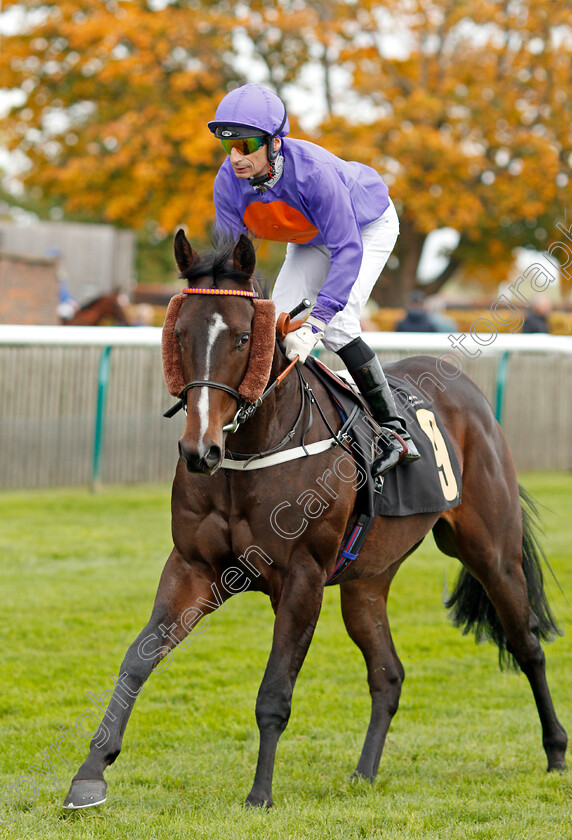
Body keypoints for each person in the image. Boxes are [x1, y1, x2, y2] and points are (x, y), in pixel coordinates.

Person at [208, 84, 419, 475]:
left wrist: (318, 321)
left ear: (274, 143)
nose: (237, 157)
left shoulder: (314, 174)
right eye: (228, 146)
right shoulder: (227, 184)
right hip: (308, 237)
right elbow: (235, 266)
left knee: (336, 324)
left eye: (247, 144)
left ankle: (395, 431)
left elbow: (347, 250)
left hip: (364, 228)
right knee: (277, 323)